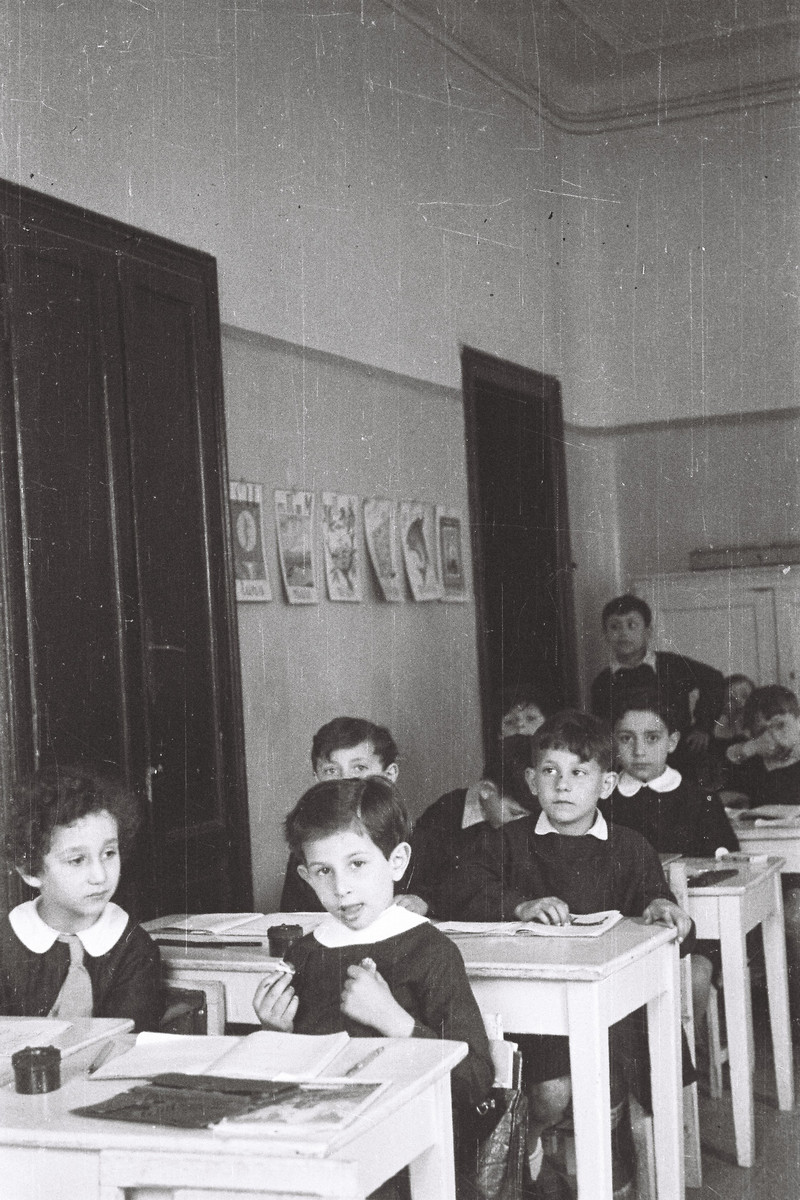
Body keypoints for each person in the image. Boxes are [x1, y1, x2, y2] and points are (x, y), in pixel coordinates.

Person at [449, 710, 693, 1198]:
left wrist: (664, 906)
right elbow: (462, 887)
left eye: (579, 773)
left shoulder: (628, 846)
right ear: (530, 780)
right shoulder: (507, 841)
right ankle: (532, 1146)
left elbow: (657, 902)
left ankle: (609, 1167)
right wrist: (520, 904)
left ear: (606, 785)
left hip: (615, 1013)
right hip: (536, 1011)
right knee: (551, 1090)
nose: (562, 785)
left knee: (605, 1081)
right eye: (550, 772)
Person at [253, 776, 495, 1176]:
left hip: (415, 1155)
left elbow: (474, 1081)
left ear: (396, 862)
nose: (342, 888)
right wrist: (276, 1033)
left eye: (357, 864)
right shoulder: (305, 953)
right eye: (323, 872)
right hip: (326, 1149)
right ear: (306, 877)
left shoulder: (431, 951)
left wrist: (394, 1021)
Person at [602, 689, 738, 1017]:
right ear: (614, 743)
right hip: (624, 925)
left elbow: (727, 861)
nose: (639, 750)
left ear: (673, 741)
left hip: (692, 926)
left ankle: (692, 1061)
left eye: (652, 738)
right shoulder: (602, 800)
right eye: (626, 738)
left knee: (696, 976)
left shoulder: (699, 798)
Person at [0, 763, 161, 1031]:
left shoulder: (135, 948)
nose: (99, 876)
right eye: (77, 860)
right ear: (30, 871)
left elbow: (129, 1043)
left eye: (109, 853)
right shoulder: (4, 945)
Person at [280, 717, 427, 913]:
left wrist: (423, 902)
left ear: (389, 775)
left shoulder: (423, 842)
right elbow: (295, 916)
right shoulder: (310, 843)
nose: (345, 781)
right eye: (331, 770)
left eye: (359, 768)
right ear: (317, 779)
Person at [590, 594, 724, 778]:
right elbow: (602, 729)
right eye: (614, 627)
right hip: (630, 762)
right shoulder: (603, 681)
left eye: (632, 625)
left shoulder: (672, 665)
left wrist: (703, 725)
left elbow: (714, 680)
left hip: (678, 757)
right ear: (605, 635)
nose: (623, 633)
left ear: (647, 631)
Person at [409, 735, 536, 919]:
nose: (521, 824)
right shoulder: (444, 814)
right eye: (515, 813)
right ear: (486, 790)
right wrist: (424, 900)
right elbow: (420, 879)